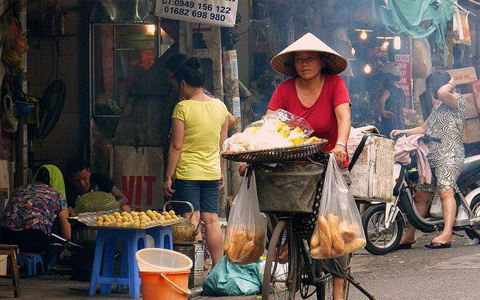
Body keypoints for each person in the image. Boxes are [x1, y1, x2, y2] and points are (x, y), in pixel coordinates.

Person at [268, 32, 351, 300]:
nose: (304, 64)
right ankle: (286, 241)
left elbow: (344, 117)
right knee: (270, 197)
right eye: (299, 60)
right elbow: (269, 124)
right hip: (293, 166)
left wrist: (341, 145)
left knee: (334, 227)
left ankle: (338, 288)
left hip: (329, 163)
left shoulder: (335, 84)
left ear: (322, 62)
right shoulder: (283, 90)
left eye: (310, 58)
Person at [162, 56, 229, 267]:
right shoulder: (220, 107)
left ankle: (195, 270)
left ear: (183, 84)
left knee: (192, 219)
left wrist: (168, 177)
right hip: (211, 173)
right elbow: (223, 146)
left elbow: (176, 146)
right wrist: (222, 173)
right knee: (211, 221)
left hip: (188, 173)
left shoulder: (182, 108)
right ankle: (218, 270)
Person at [391, 71, 465, 249]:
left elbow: (442, 92)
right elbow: (424, 128)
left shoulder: (456, 100)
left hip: (450, 154)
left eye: (431, 86)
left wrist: (451, 82)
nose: (430, 90)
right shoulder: (438, 107)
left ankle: (446, 234)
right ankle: (409, 235)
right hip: (430, 156)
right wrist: (403, 132)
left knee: (445, 192)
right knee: (421, 195)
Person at [0, 165, 71, 254]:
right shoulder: (57, 195)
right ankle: (48, 265)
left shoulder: (18, 189)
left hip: (4, 236)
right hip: (33, 238)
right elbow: (67, 235)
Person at [65, 157, 131, 216]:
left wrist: (111, 205)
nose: (82, 184)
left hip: (106, 218)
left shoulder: (100, 179)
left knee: (125, 208)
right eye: (77, 181)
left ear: (89, 171)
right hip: (81, 223)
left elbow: (123, 198)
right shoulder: (67, 188)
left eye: (84, 178)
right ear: (70, 179)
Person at [378, 62, 407, 136]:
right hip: (400, 125)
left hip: (390, 125)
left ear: (388, 76)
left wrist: (383, 112)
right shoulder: (400, 90)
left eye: (383, 76)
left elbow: (381, 100)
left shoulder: (388, 89)